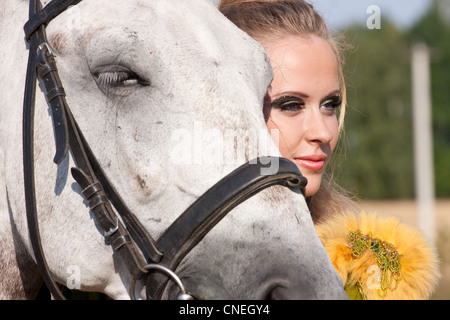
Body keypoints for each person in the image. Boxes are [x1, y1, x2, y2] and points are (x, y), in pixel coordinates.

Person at [218, 0, 439, 300]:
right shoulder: (147, 264)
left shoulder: (371, 267)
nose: (324, 132)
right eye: (291, 105)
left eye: (329, 105)